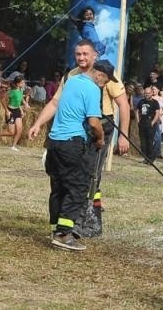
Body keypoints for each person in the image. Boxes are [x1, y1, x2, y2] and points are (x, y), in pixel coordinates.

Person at [28, 59, 112, 251]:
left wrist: (38, 124)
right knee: (77, 187)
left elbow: (57, 104)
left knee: (58, 187)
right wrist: (100, 139)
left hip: (54, 142)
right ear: (99, 74)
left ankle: (56, 228)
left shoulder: (71, 81)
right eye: (105, 80)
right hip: (72, 143)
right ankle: (63, 234)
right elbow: (93, 122)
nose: (104, 85)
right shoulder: (92, 89)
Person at [136, 84, 163, 163]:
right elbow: (137, 110)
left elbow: (157, 113)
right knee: (143, 142)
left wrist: (153, 122)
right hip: (142, 123)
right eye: (145, 93)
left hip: (151, 124)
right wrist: (138, 120)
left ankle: (151, 158)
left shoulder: (155, 102)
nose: (146, 95)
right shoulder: (141, 101)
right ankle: (145, 158)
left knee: (150, 141)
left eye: (148, 93)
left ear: (151, 93)